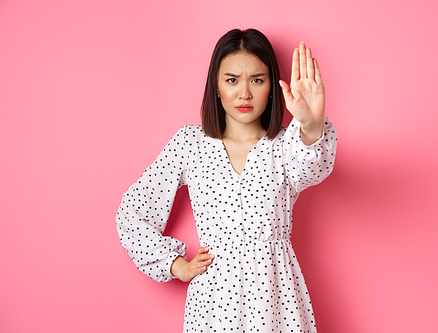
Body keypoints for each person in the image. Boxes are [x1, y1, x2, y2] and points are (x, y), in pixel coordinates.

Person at [116, 28, 337, 332]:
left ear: (272, 86)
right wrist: (175, 265)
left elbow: (313, 168)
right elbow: (132, 214)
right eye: (232, 80)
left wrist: (311, 126)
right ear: (216, 86)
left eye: (257, 80)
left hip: (276, 298)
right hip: (213, 302)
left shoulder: (287, 146)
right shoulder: (189, 144)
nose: (244, 93)